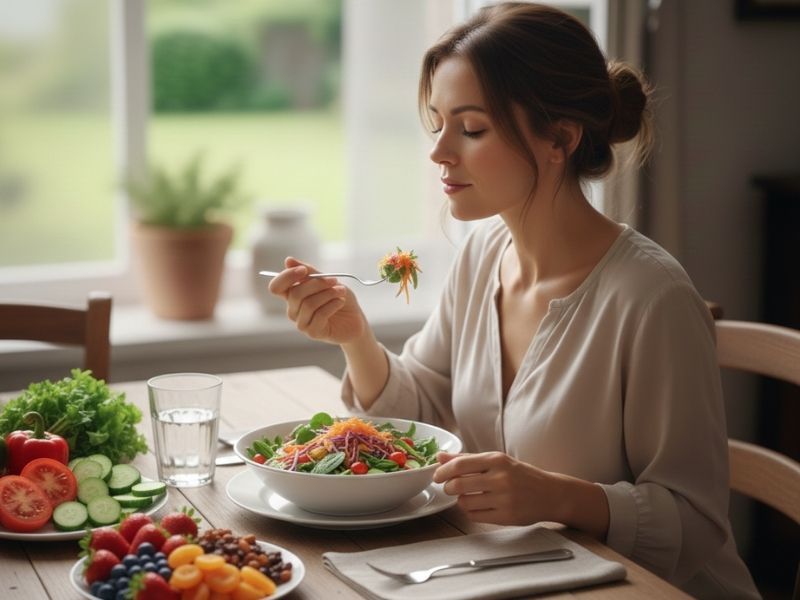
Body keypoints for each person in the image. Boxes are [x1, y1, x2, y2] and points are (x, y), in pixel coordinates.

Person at [268, 3, 759, 598]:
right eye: (438, 123)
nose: (440, 152)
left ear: (560, 139)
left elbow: (696, 523)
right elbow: (424, 411)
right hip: (522, 577)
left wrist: (555, 495)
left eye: (471, 129)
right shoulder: (482, 257)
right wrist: (355, 336)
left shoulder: (652, 298)